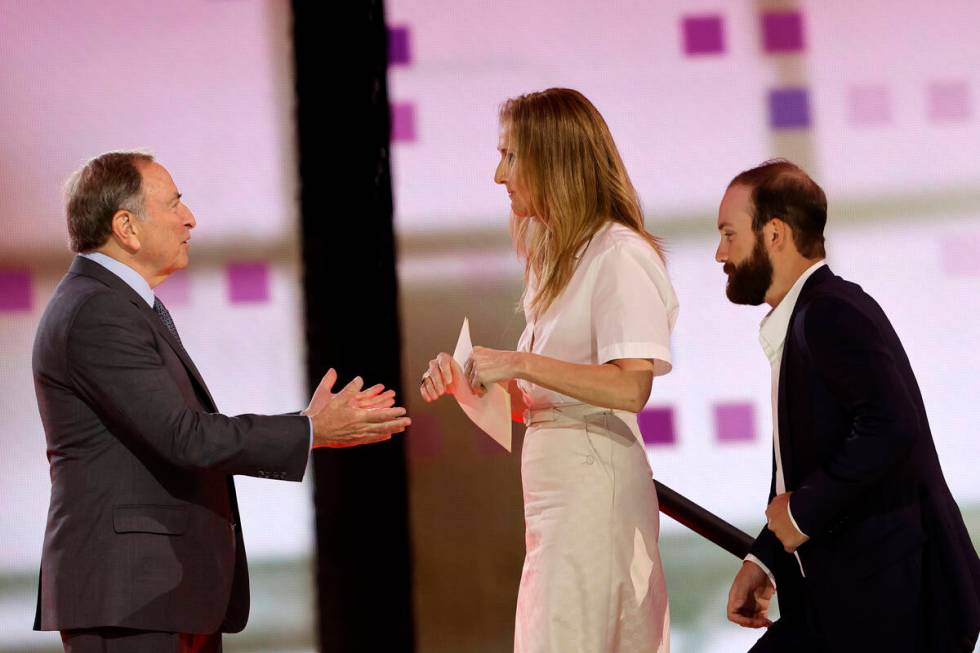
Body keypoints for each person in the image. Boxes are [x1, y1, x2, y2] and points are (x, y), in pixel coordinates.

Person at [32, 151, 411, 653]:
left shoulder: (111, 304)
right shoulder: (97, 310)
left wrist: (307, 424)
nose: (189, 219)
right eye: (173, 204)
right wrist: (310, 430)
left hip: (160, 592)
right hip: (130, 597)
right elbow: (183, 436)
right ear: (126, 227)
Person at [420, 88, 678, 653]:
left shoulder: (617, 253)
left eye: (511, 157)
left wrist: (514, 362)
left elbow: (631, 385)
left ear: (552, 158)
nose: (498, 175)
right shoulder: (559, 261)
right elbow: (541, 397)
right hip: (557, 496)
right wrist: (472, 383)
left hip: (593, 490)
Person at [717, 159, 980, 652]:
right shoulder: (814, 315)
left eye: (730, 234)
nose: (719, 253)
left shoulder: (828, 313)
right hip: (849, 603)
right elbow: (818, 464)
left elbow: (890, 426)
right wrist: (766, 558)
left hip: (889, 606)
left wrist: (800, 517)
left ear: (774, 234)